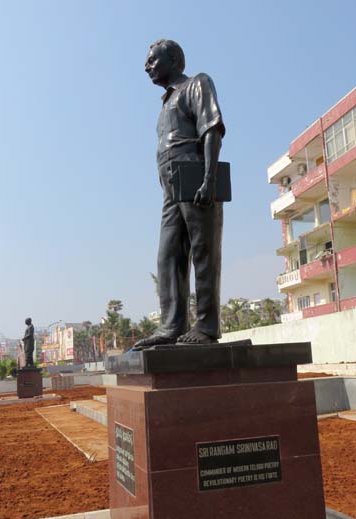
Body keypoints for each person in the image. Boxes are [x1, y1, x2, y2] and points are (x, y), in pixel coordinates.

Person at [134, 39, 225, 347]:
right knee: (168, 256)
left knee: (203, 251)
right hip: (171, 187)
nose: (147, 66)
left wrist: (209, 179)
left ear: (173, 59)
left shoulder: (196, 84)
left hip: (194, 173)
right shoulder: (164, 105)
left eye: (152, 60)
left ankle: (207, 326)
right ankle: (172, 325)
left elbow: (211, 129)